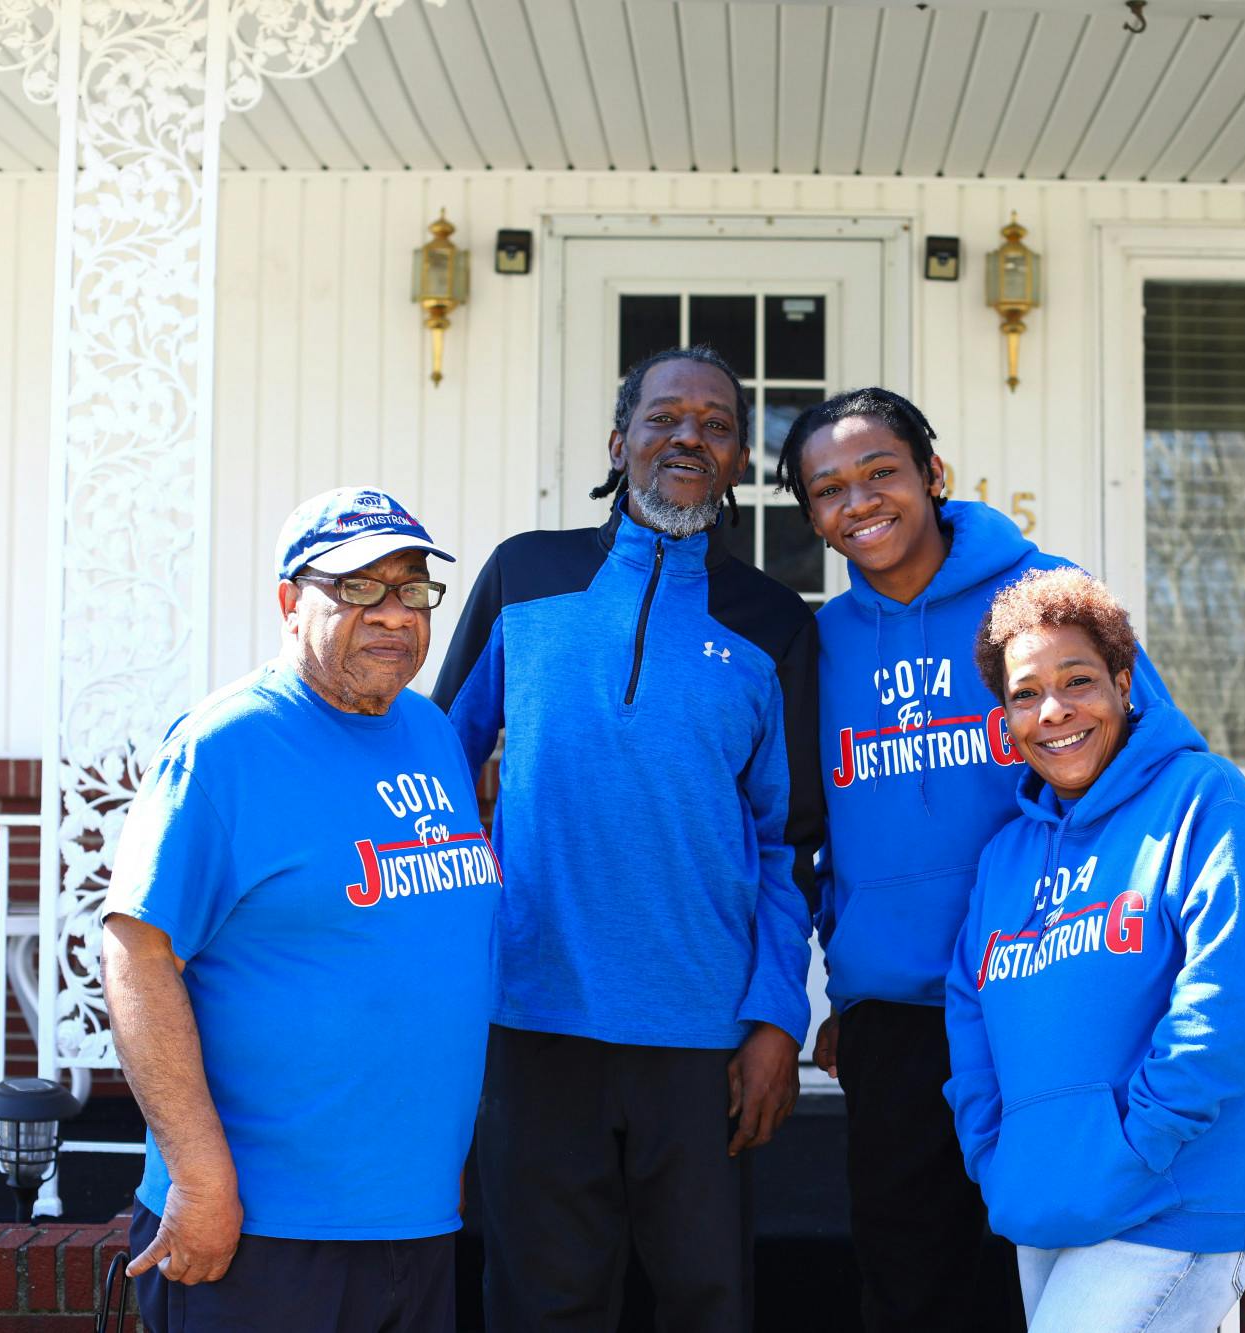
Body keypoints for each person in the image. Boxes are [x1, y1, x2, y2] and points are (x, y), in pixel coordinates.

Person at [430, 345, 822, 1332]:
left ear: (736, 462)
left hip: (702, 1038)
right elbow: (434, 778)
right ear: (619, 441)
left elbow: (789, 848)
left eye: (717, 424)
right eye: (662, 417)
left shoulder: (772, 623)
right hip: (532, 1017)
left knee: (706, 1303)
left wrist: (777, 1017)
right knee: (538, 1303)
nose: (687, 435)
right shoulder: (525, 575)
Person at [101, 487, 500, 1333]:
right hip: (262, 1230)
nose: (394, 615)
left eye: (411, 590)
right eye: (359, 588)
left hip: (413, 1219)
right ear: (291, 602)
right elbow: (136, 957)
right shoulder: (226, 746)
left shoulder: (431, 732)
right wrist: (201, 1178)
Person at [772, 387, 1102, 1330]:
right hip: (898, 1016)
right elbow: (808, 830)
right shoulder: (821, 644)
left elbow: (1140, 770)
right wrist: (844, 983)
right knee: (909, 1279)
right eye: (829, 488)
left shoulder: (1042, 601)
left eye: (882, 472)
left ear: (934, 476)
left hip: (1043, 989)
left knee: (1049, 1275)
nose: (860, 500)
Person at [944, 567, 1245, 1332]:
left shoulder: (1205, 801)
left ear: (1124, 681)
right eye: (1025, 694)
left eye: (1077, 680)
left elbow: (1235, 992)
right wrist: (993, 1149)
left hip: (1171, 1200)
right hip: (1041, 1197)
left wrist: (1144, 1140)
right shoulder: (1006, 857)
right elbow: (969, 1013)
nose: (1054, 711)